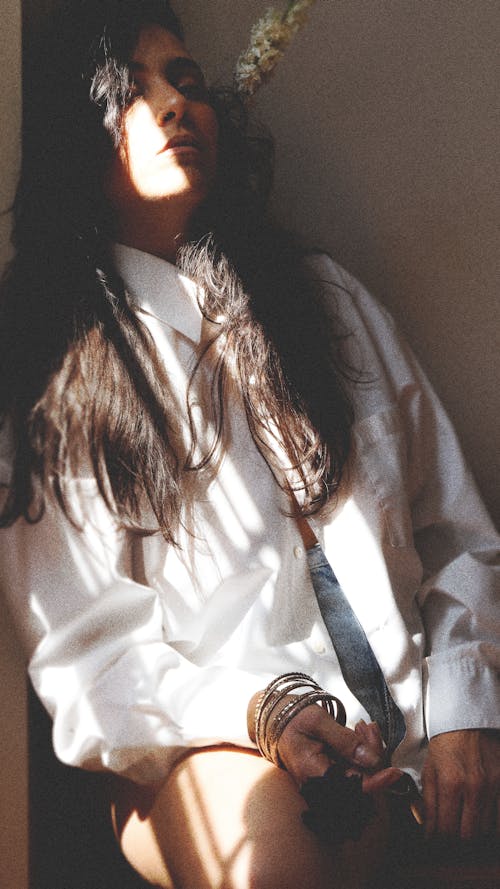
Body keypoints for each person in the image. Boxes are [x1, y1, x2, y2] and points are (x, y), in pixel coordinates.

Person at [1, 1, 499, 887]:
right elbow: (90, 654)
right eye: (130, 90)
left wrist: (465, 703)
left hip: (413, 729)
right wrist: (261, 708)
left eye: (186, 82)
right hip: (216, 743)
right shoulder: (61, 370)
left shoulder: (325, 300)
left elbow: (456, 530)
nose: (172, 105)